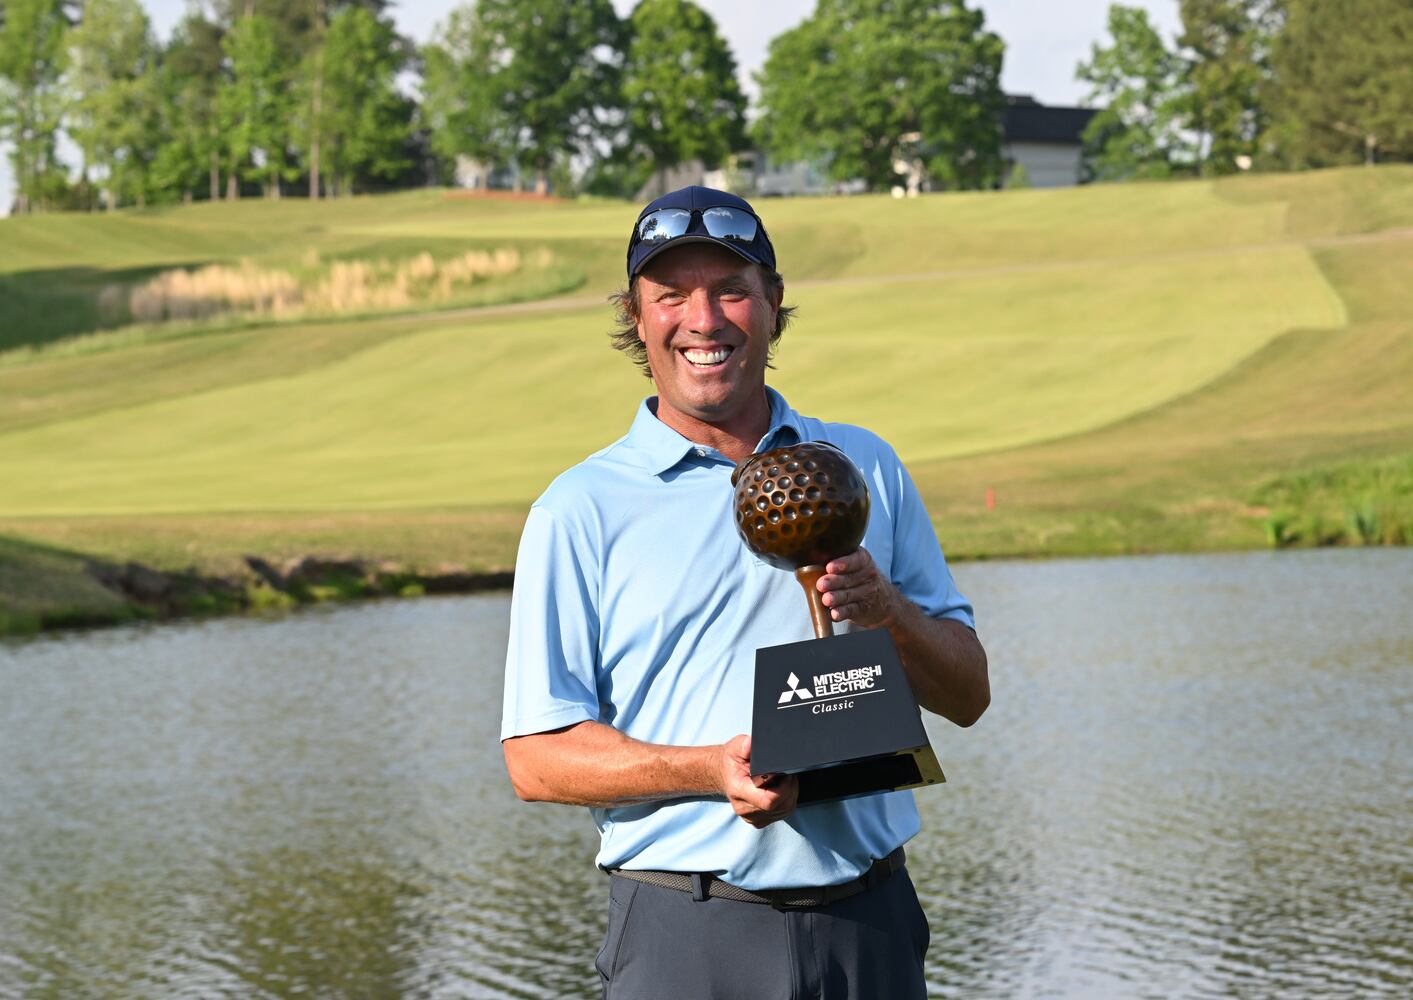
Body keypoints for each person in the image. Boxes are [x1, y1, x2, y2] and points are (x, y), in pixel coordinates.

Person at [500, 185, 989, 999]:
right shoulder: (579, 509)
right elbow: (535, 760)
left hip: (871, 924)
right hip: (689, 933)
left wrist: (889, 614)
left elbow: (968, 696)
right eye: (670, 295)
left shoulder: (864, 465)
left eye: (730, 289)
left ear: (772, 303)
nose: (702, 320)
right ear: (636, 316)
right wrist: (708, 769)